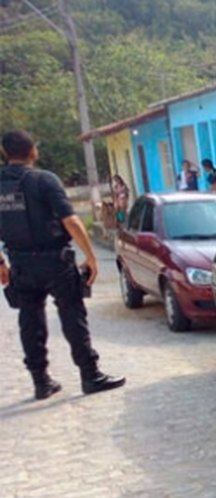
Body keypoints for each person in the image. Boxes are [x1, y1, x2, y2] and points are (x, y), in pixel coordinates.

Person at [0, 130, 126, 399]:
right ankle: (90, 375)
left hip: (20, 262)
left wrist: (1, 263)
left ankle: (41, 382)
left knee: (29, 320)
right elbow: (71, 221)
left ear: (5, 153)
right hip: (56, 262)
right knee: (72, 316)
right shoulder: (44, 180)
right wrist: (90, 256)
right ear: (33, 150)